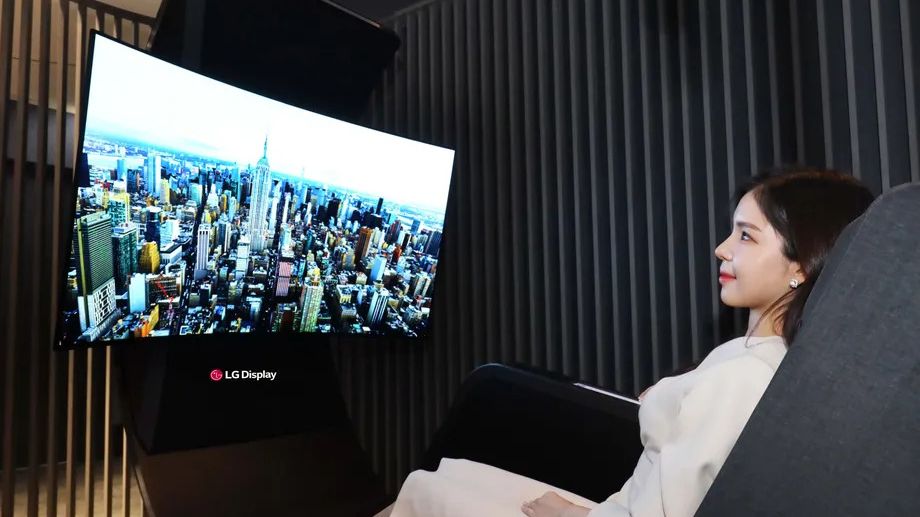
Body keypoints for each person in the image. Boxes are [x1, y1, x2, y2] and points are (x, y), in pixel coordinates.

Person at [381, 168, 875, 517]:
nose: (722, 248)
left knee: (423, 489)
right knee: (451, 474)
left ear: (800, 265)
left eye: (746, 236)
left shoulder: (741, 377)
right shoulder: (762, 361)